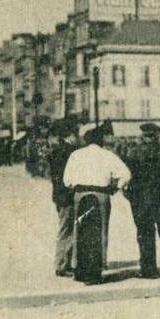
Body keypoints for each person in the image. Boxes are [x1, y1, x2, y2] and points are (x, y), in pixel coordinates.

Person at [62, 122, 131, 285]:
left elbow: (66, 180)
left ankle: (79, 270)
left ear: (86, 140)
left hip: (81, 195)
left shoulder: (76, 155)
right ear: (100, 141)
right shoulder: (108, 155)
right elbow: (126, 174)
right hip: (101, 195)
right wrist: (116, 187)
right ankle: (96, 271)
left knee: (80, 232)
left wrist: (75, 186)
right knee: (100, 232)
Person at [125, 123, 160, 278]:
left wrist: (132, 197)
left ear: (143, 136)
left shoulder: (134, 153)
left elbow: (128, 179)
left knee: (145, 234)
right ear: (157, 136)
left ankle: (149, 270)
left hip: (143, 202)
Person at [47, 119, 79, 277]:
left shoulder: (57, 150)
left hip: (59, 195)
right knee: (67, 229)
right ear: (71, 135)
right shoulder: (69, 152)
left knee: (66, 228)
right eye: (76, 134)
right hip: (67, 196)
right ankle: (61, 265)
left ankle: (64, 263)